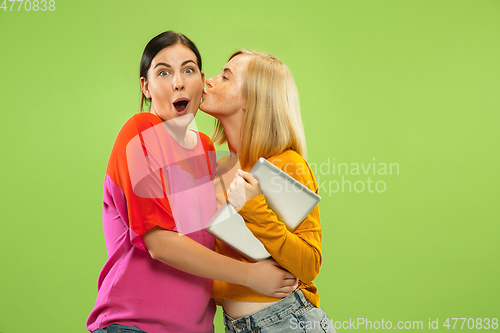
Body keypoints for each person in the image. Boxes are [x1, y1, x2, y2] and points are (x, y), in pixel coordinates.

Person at [87, 32, 298, 333]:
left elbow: (211, 241)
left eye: (188, 70)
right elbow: (159, 242)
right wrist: (252, 276)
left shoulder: (206, 149)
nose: (178, 82)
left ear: (201, 80)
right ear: (145, 87)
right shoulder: (139, 132)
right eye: (163, 72)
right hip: (133, 325)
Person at [200, 50, 334, 332]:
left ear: (252, 99)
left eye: (225, 76)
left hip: (288, 322)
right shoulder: (220, 171)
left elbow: (309, 265)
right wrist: (249, 277)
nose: (208, 80)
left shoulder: (288, 164)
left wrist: (253, 207)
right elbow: (213, 271)